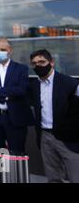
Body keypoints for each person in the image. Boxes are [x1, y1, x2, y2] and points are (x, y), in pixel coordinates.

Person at [0, 38, 34, 178]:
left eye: (3, 49)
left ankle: (16, 179)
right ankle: (0, 180)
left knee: (17, 153)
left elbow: (21, 90)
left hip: (15, 117)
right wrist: (7, 95)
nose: (0, 52)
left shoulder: (21, 69)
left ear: (10, 51)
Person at [27, 49, 79, 183]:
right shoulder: (34, 86)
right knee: (53, 178)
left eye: (42, 62)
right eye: (34, 63)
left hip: (69, 139)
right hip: (45, 137)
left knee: (76, 177)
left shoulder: (70, 83)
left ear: (52, 62)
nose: (38, 66)